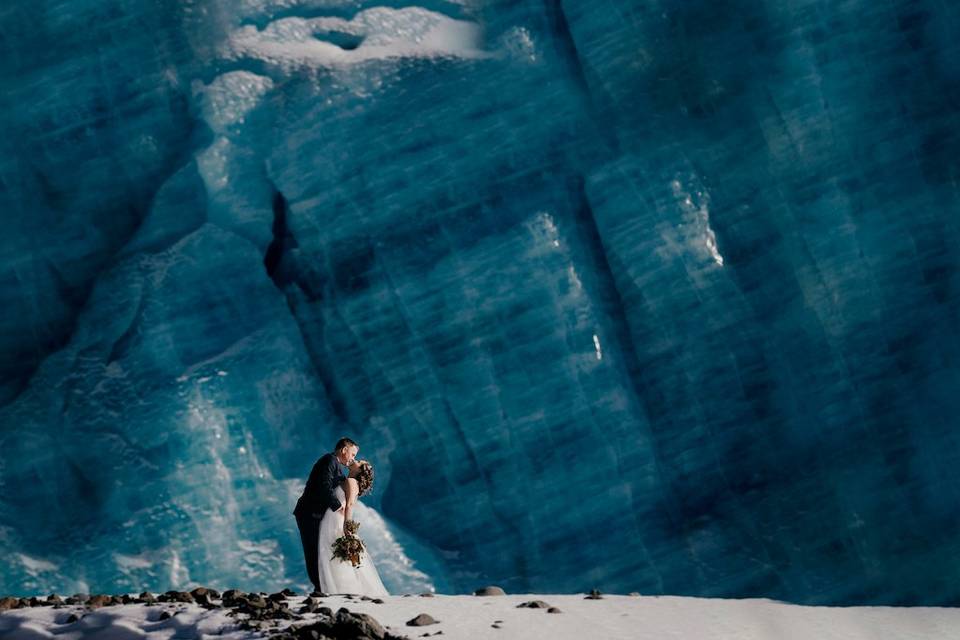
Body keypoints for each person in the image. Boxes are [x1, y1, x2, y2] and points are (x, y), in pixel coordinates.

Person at [293, 437, 358, 592]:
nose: (352, 459)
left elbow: (342, 483)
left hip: (314, 515)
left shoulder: (336, 465)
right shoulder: (329, 460)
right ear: (344, 450)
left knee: (318, 551)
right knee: (312, 551)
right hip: (308, 513)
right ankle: (319, 587)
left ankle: (321, 587)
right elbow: (324, 486)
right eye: (353, 454)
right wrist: (338, 506)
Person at [317, 459, 389, 595]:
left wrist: (346, 525)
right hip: (333, 518)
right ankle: (339, 588)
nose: (355, 460)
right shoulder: (351, 481)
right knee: (332, 552)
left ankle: (343, 588)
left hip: (336, 520)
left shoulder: (351, 482)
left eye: (359, 462)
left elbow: (349, 505)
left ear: (359, 470)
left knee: (332, 551)